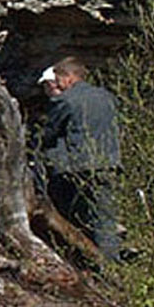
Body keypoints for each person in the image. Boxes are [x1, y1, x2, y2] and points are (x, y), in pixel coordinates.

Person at [40, 56, 121, 262]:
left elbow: (49, 132)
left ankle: (78, 260)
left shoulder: (66, 100)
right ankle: (111, 265)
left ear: (68, 78)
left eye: (58, 80)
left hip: (78, 167)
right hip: (108, 163)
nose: (57, 85)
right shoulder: (107, 96)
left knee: (71, 217)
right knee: (105, 219)